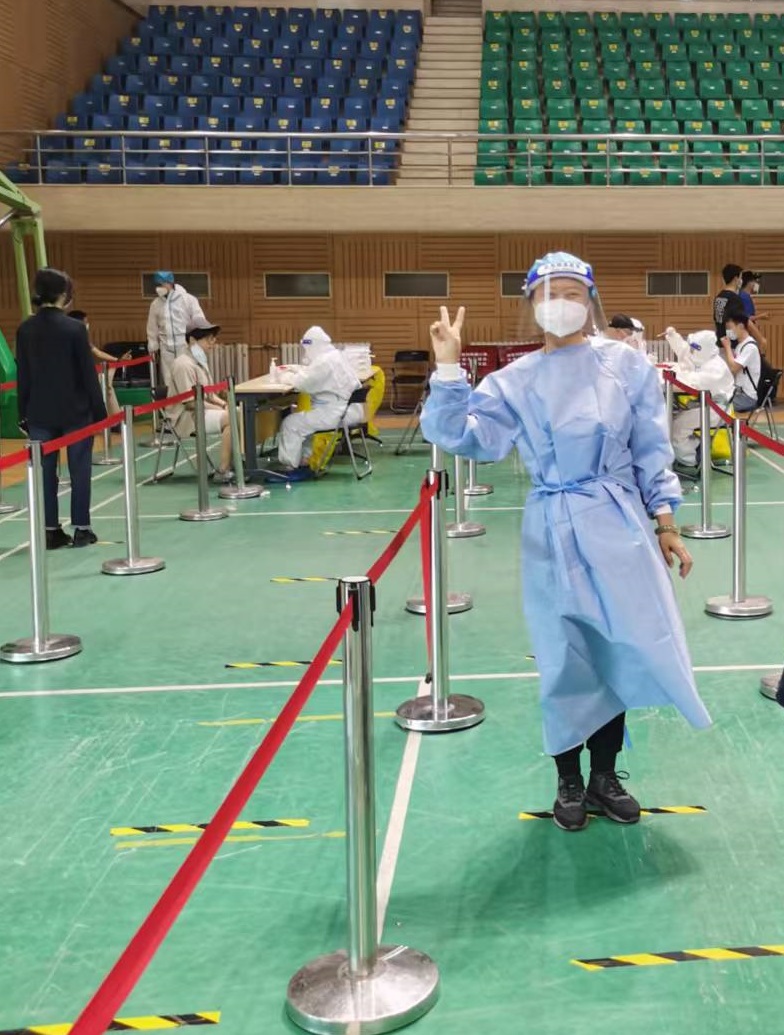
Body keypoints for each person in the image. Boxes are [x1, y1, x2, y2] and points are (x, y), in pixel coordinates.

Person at [420, 251, 711, 833]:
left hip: (618, 521)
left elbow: (651, 451)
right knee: (564, 655)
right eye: (549, 293)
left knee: (616, 648)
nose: (561, 303)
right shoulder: (515, 381)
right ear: (531, 304)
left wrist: (666, 523)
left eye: (573, 293)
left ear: (591, 301)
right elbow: (463, 437)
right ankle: (568, 781)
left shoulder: (625, 367)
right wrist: (449, 369)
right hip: (552, 525)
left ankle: (605, 775)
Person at [16, 268, 107, 549]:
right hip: (76, 411)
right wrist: (100, 412)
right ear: (64, 294)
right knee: (79, 470)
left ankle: (50, 530)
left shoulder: (25, 329)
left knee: (45, 473)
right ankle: (81, 528)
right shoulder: (75, 329)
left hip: (39, 412)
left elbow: (23, 376)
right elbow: (88, 375)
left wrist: (23, 413)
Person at [276, 326, 363, 471]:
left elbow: (303, 383)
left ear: (313, 345)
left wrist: (285, 377)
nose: (307, 351)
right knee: (304, 421)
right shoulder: (335, 356)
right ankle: (305, 461)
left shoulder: (324, 361)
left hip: (336, 413)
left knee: (291, 423)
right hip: (349, 410)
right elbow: (314, 374)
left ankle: (289, 467)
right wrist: (298, 370)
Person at [168, 318, 233, 482]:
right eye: (208, 339)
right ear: (192, 340)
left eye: (213, 338)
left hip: (202, 410)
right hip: (187, 417)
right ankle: (223, 470)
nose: (213, 342)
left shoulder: (200, 362)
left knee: (239, 413)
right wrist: (223, 410)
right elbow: (191, 403)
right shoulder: (183, 365)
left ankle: (237, 463)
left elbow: (210, 395)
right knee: (232, 418)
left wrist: (225, 404)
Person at [663, 327, 735, 468]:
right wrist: (673, 336)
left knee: (677, 427)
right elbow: (685, 352)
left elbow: (692, 382)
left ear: (703, 348)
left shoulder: (716, 367)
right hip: (706, 404)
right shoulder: (705, 358)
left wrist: (677, 373)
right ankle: (692, 450)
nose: (691, 352)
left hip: (716, 410)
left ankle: (692, 459)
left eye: (694, 349)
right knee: (673, 419)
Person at [146, 271, 207, 389]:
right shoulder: (155, 304)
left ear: (170, 283)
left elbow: (200, 321)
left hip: (186, 347)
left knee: (189, 379)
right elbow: (152, 327)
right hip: (166, 350)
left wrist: (198, 342)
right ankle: (173, 401)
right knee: (169, 382)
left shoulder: (188, 299)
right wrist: (153, 346)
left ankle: (193, 399)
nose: (158, 288)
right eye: (157, 285)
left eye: (161, 284)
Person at [69, 310, 123, 416]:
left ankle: (114, 418)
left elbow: (98, 353)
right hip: (72, 378)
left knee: (107, 386)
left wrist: (117, 360)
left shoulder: (83, 339)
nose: (87, 325)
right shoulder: (68, 339)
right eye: (85, 322)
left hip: (84, 375)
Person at [721, 306, 764, 413]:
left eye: (730, 328)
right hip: (737, 393)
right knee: (712, 399)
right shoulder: (740, 346)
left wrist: (727, 347)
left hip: (747, 398)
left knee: (716, 405)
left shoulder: (750, 347)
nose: (728, 331)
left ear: (740, 326)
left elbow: (733, 368)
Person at [713, 263, 743, 340]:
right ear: (735, 278)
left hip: (720, 340)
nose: (741, 280)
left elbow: (718, 319)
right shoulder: (734, 298)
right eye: (740, 277)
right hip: (732, 342)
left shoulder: (719, 297)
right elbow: (740, 321)